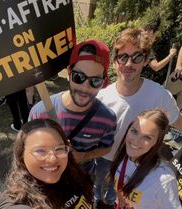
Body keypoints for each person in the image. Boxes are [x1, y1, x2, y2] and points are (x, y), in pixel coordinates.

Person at [94, 28, 182, 209]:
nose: (129, 63)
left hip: (135, 160)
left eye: (136, 57)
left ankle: (112, 203)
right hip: (103, 157)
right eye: (123, 57)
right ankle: (96, 202)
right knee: (96, 186)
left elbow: (178, 120)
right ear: (115, 62)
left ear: (145, 60)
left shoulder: (159, 95)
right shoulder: (101, 97)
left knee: (119, 194)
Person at [29, 40, 117, 174]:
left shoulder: (108, 119)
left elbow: (106, 148)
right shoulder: (40, 113)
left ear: (103, 82)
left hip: (83, 176)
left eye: (95, 81)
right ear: (69, 73)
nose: (85, 88)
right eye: (79, 77)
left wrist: (82, 156)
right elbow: (29, 149)